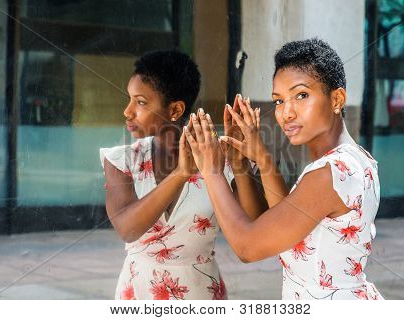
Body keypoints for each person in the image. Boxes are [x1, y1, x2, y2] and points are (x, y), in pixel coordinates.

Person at [184, 38, 384, 300]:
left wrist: (211, 170)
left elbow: (248, 246)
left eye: (301, 95)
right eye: (278, 101)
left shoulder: (330, 173)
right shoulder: (356, 159)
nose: (286, 113)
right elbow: (277, 225)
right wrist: (245, 161)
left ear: (337, 98)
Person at [99, 50, 264, 300]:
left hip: (201, 294)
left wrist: (239, 162)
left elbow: (255, 227)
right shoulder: (121, 160)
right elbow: (128, 229)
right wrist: (182, 172)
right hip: (139, 293)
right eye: (130, 99)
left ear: (175, 109)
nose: (128, 111)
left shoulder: (218, 156)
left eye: (141, 102)